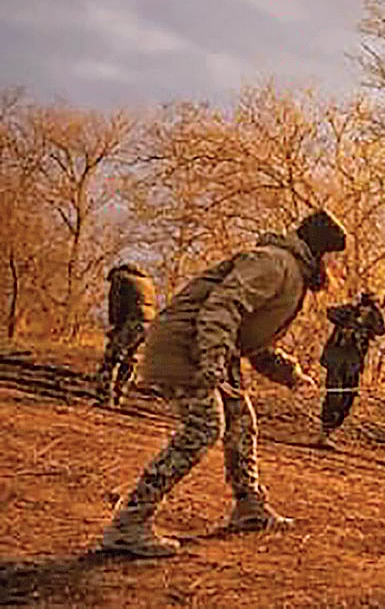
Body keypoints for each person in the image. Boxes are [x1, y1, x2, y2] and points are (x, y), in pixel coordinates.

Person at [98, 210, 346, 558]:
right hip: (185, 346)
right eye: (333, 259)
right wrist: (212, 359)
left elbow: (256, 344)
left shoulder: (292, 274)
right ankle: (129, 523)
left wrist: (291, 375)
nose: (335, 269)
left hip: (207, 347)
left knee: (241, 420)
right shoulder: (274, 263)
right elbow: (222, 307)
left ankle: (249, 509)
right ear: (319, 252)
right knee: (204, 427)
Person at [317, 291, 385, 449]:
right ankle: (324, 433)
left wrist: (376, 311)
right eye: (365, 306)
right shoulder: (347, 313)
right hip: (336, 361)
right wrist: (352, 311)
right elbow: (330, 313)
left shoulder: (371, 321)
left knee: (347, 400)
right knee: (334, 396)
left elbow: (382, 329)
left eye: (369, 307)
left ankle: (332, 430)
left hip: (353, 366)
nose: (365, 310)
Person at [94, 263, 158, 407]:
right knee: (130, 360)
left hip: (132, 322)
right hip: (149, 324)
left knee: (111, 359)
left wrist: (115, 326)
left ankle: (104, 397)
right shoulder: (147, 281)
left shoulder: (120, 278)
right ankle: (119, 395)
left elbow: (116, 305)